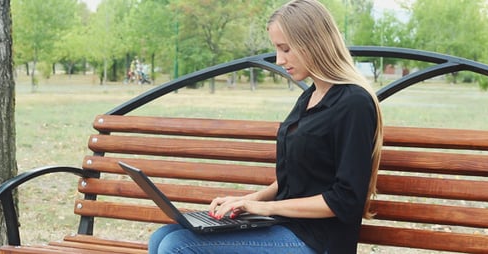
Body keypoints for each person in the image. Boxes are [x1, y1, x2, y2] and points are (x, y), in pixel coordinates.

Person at [148, 0, 383, 253]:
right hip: (285, 225)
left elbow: (346, 199)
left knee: (178, 246)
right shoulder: (309, 97)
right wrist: (248, 200)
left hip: (319, 242)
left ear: (314, 43)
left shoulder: (354, 103)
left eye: (286, 49)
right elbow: (296, 179)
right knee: (163, 236)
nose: (280, 60)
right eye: (277, 49)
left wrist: (265, 208)